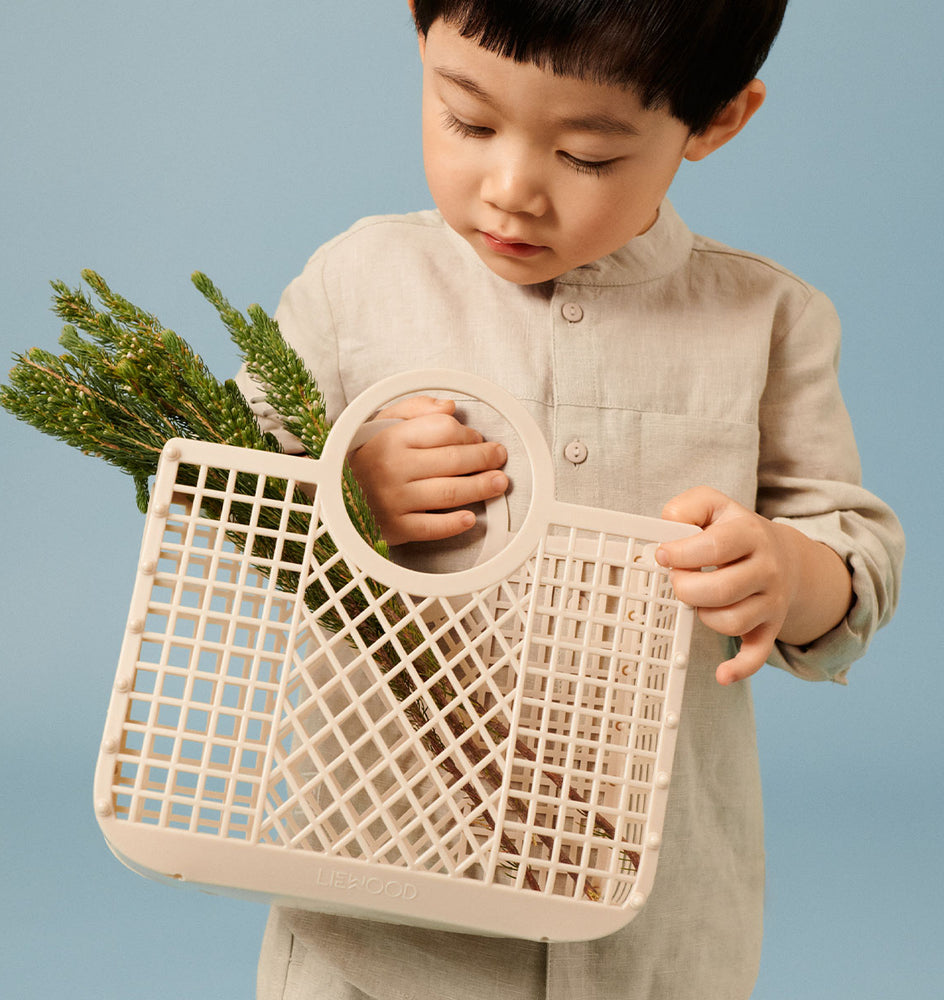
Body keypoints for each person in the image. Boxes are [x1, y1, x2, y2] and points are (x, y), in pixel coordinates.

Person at [238, 2, 904, 997]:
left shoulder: (765, 319)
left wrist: (787, 573)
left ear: (716, 119)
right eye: (467, 121)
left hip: (653, 921)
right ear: (420, 45)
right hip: (382, 905)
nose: (512, 191)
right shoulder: (356, 283)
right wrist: (352, 485)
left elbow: (849, 556)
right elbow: (230, 498)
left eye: (587, 155)